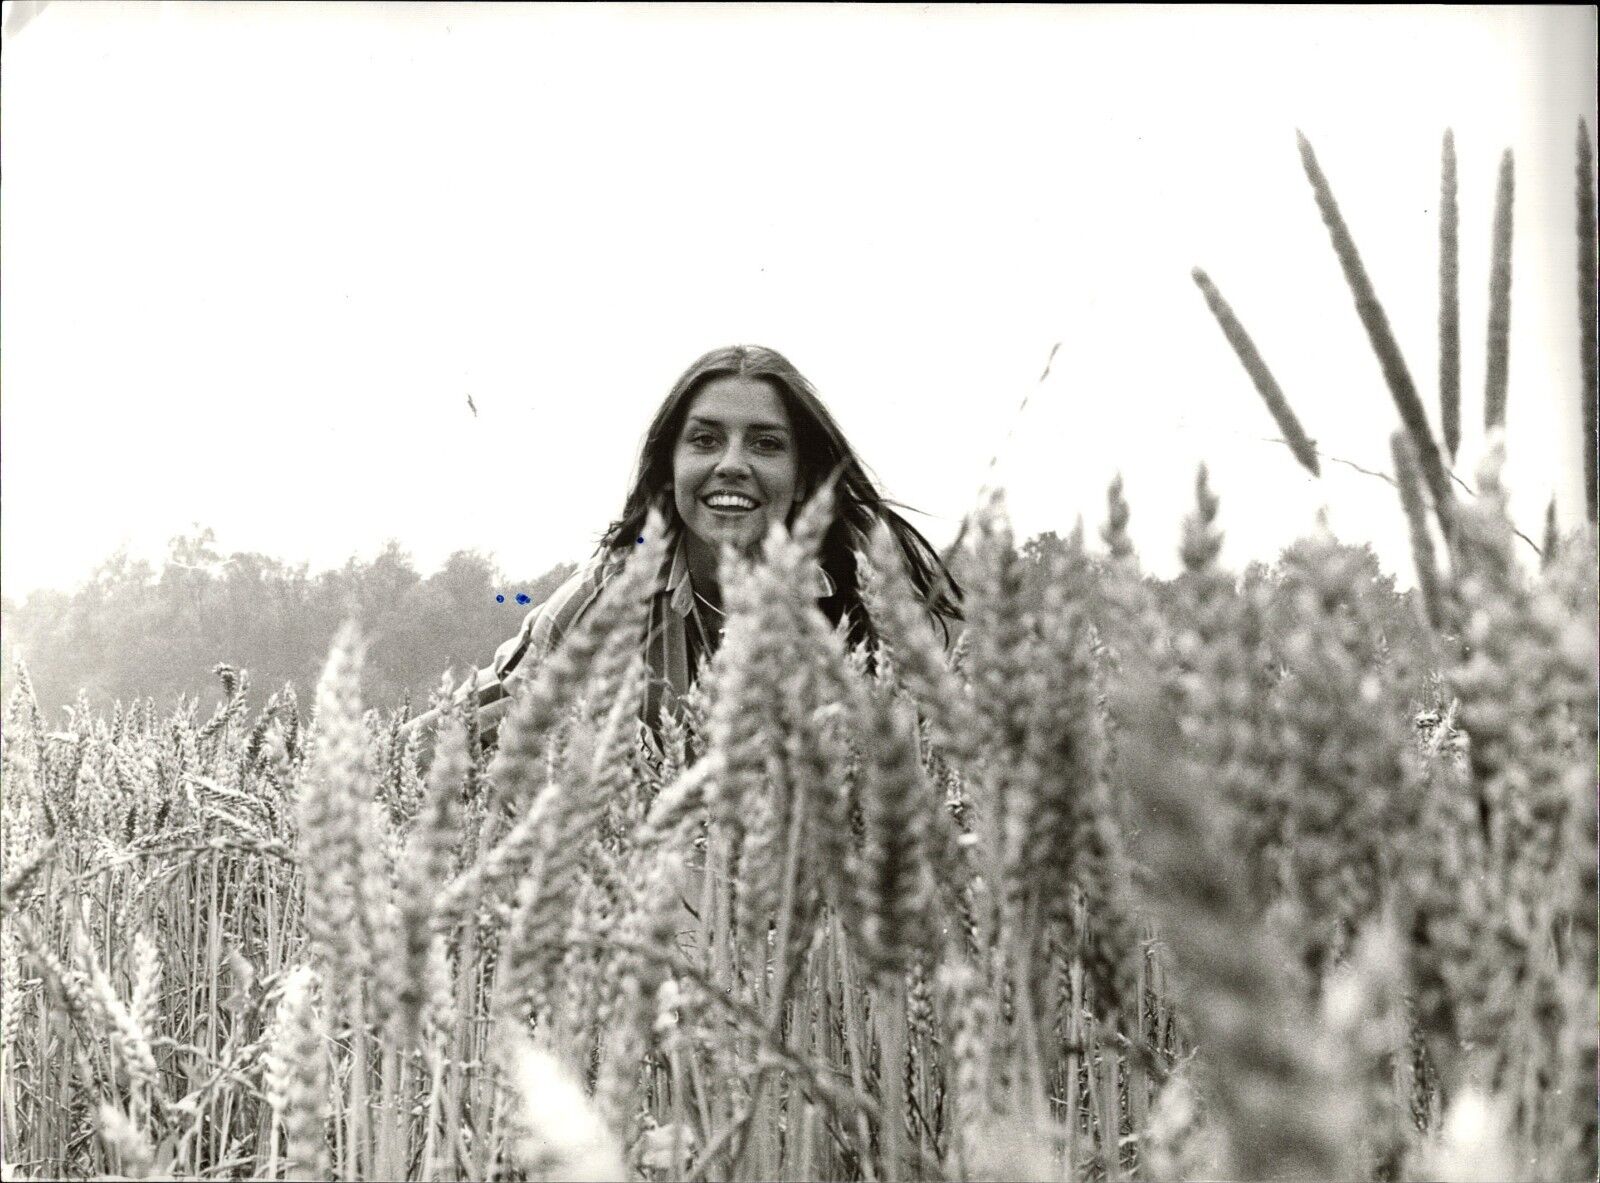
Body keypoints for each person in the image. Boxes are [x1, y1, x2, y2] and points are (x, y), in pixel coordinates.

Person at [411, 344, 963, 747]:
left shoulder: (865, 602)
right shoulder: (611, 596)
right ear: (670, 468)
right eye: (705, 440)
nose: (731, 465)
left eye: (766, 444)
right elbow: (481, 715)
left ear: (801, 478)